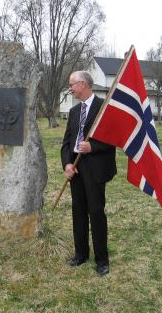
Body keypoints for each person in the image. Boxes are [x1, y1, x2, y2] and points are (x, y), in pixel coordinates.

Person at [60, 71, 116, 276]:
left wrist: (93, 147)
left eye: (72, 84)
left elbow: (113, 138)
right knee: (78, 212)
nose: (70, 88)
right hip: (76, 170)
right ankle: (81, 254)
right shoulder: (74, 111)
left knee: (96, 212)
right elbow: (67, 142)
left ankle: (102, 260)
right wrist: (67, 164)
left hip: (95, 169)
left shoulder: (104, 107)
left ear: (83, 84)